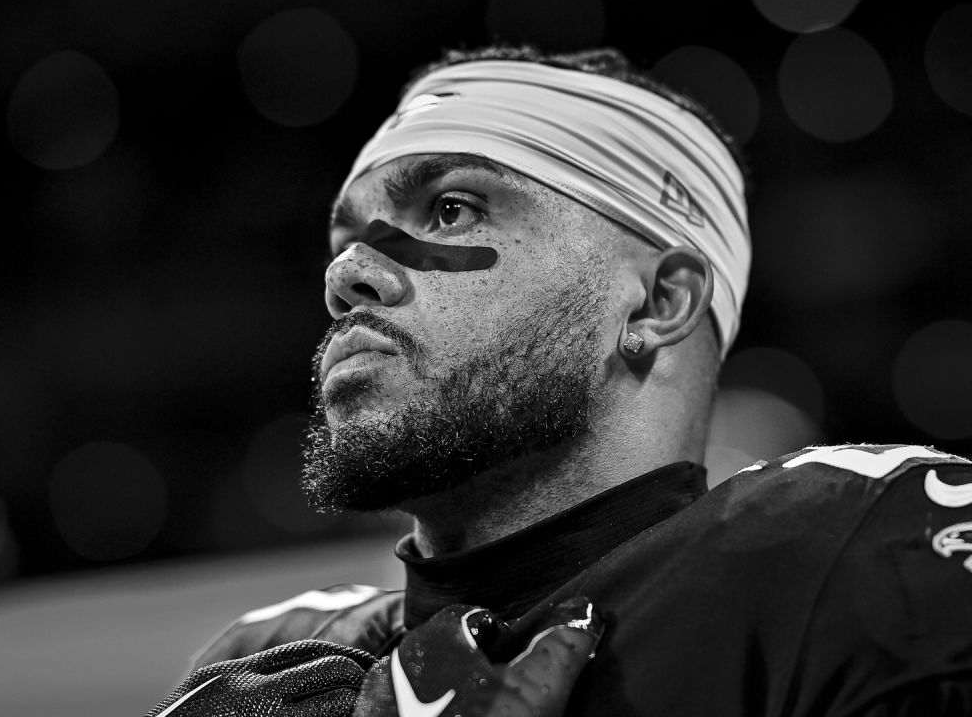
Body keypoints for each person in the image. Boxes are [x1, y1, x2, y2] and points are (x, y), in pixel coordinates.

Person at [147, 45, 972, 716]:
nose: (350, 273)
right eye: (348, 237)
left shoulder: (852, 558)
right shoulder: (274, 662)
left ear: (658, 300)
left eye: (450, 209)